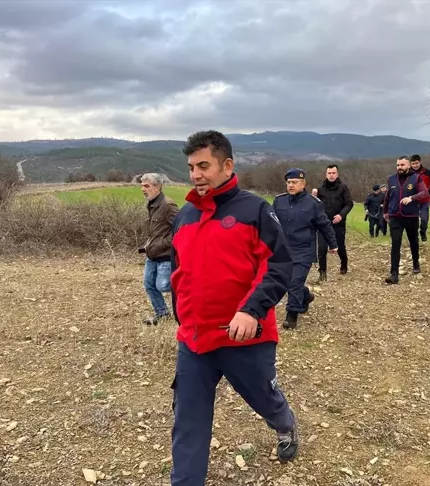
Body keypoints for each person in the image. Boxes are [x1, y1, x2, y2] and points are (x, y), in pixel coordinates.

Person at [169, 130, 299, 485]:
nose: (196, 174)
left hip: (246, 338)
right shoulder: (184, 217)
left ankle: (285, 424)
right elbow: (178, 271)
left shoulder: (255, 210)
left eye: (204, 166)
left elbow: (278, 266)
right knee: (188, 424)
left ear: (227, 165)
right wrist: (182, 315)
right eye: (192, 167)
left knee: (265, 399)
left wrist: (251, 309)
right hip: (195, 342)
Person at [273, 168, 337, 329]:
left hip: (303, 251)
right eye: (288, 182)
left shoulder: (313, 204)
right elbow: (270, 225)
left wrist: (333, 244)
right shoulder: (279, 201)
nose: (291, 185)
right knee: (287, 281)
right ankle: (306, 296)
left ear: (303, 184)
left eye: (294, 182)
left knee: (295, 281)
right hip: (284, 249)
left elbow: (324, 225)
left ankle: (291, 315)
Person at [139, 173, 179, 325]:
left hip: (165, 256)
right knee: (149, 285)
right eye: (142, 186)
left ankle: (189, 300)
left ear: (158, 187)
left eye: (147, 186)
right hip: (152, 255)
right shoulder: (151, 203)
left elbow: (180, 230)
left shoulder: (168, 205)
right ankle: (162, 314)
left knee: (163, 285)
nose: (143, 189)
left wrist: (161, 243)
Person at [383, 156, 429, 284]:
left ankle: (415, 262)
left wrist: (412, 198)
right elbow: (388, 197)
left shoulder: (416, 178)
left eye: (402, 165)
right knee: (395, 244)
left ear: (408, 165)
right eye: (398, 165)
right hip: (395, 216)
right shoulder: (391, 179)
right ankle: (394, 274)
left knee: (413, 241)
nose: (400, 167)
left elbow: (424, 193)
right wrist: (385, 211)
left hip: (411, 216)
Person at [316, 164, 353, 280]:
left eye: (333, 173)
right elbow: (315, 204)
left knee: (340, 247)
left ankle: (344, 264)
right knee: (322, 248)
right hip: (323, 223)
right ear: (326, 174)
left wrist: (341, 215)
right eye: (329, 173)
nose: (331, 175)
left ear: (337, 174)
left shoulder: (343, 187)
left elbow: (349, 203)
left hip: (338, 223)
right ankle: (322, 272)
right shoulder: (320, 189)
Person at [409, 154, 430, 242]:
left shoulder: (428, 173)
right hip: (412, 200)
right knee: (413, 219)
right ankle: (415, 236)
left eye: (416, 163)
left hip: (424, 200)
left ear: (420, 162)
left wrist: (426, 193)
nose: (415, 165)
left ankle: (423, 231)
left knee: (424, 219)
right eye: (413, 164)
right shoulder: (408, 173)